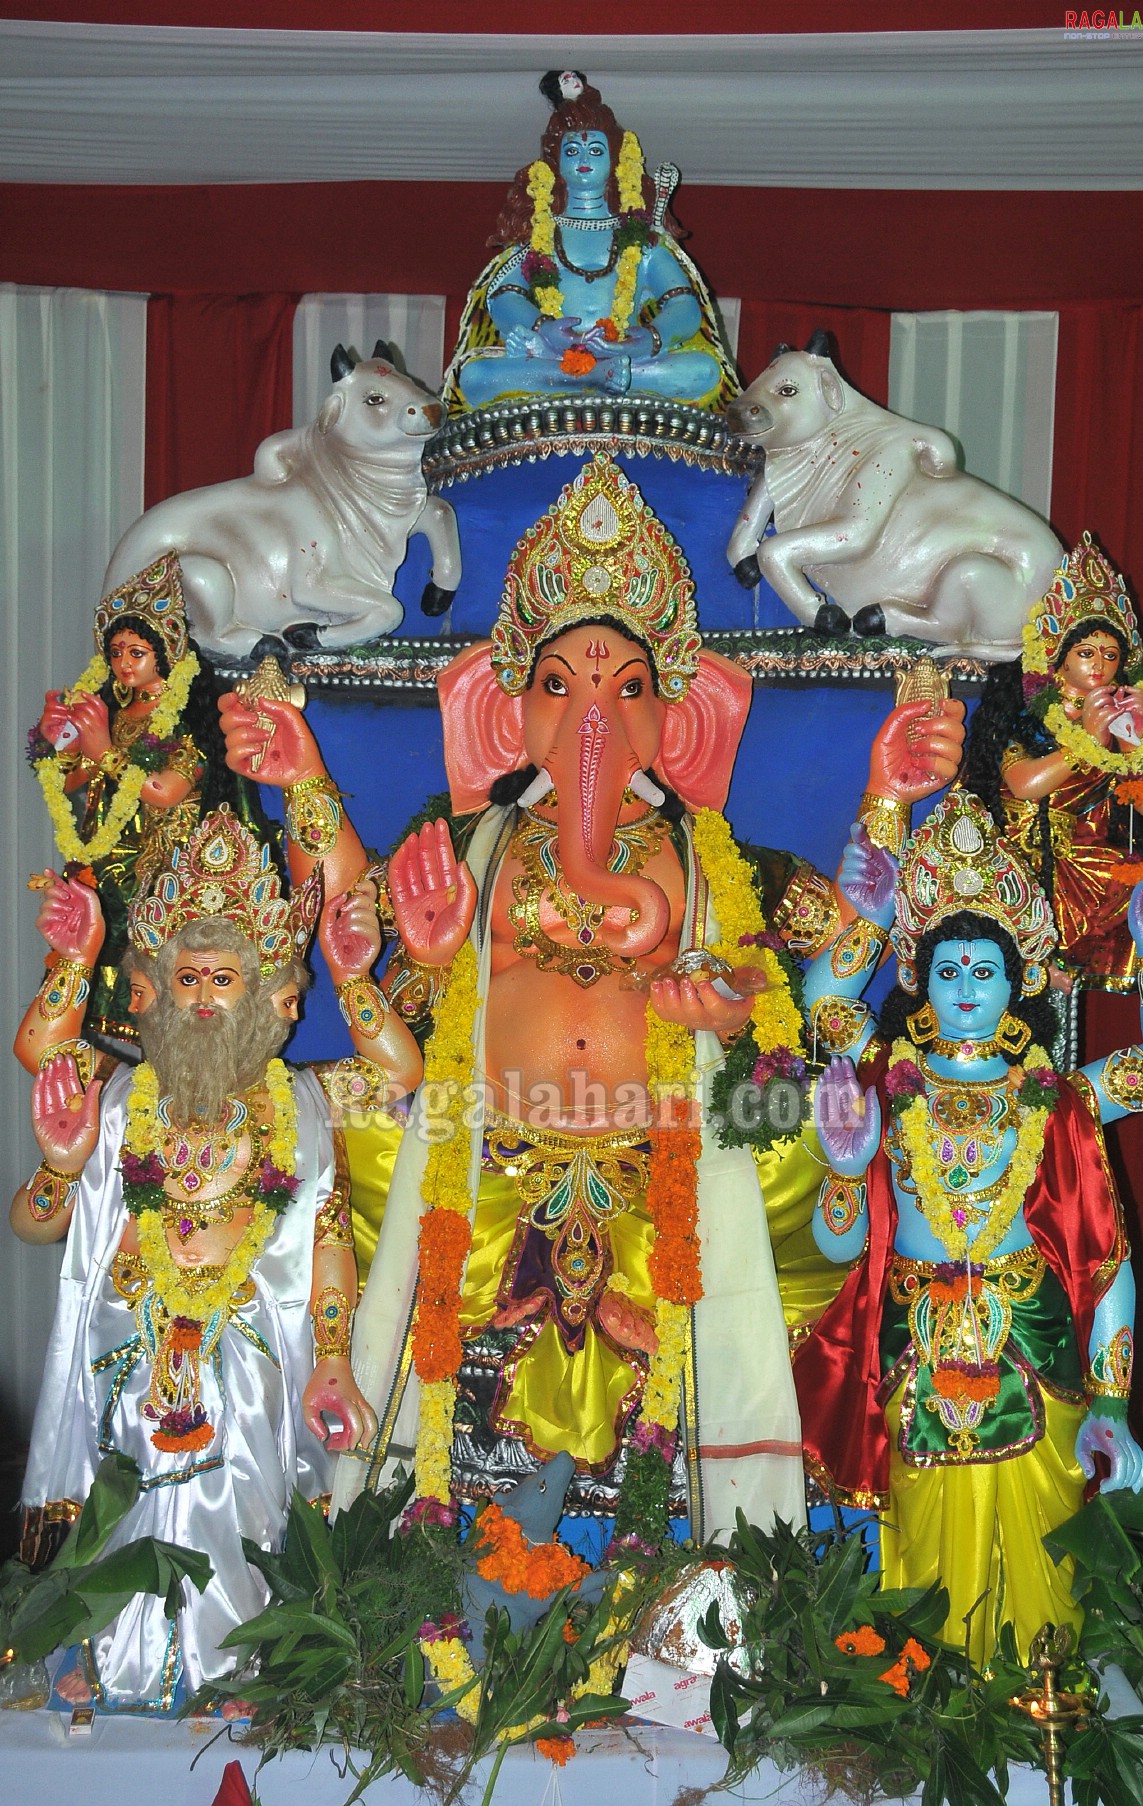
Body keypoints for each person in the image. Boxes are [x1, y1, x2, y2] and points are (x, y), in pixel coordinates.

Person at [217, 455, 966, 1552]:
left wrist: (884, 804)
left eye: (626, 689)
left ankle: (699, 1560)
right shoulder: (473, 838)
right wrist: (306, 784)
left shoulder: (716, 863)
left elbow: (834, 961)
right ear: (506, 707)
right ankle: (418, 1541)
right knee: (340, 1130)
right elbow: (357, 927)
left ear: (677, 716)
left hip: (670, 1152)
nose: (591, 716)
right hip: (488, 1145)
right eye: (558, 685)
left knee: (822, 1125)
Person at [12, 808, 422, 1710]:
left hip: (253, 1361)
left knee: (247, 1515)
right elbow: (38, 1211)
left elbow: (393, 1080)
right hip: (127, 1350)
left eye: (224, 979)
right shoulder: (120, 1098)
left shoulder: (306, 1101)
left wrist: (354, 977)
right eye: (187, 977)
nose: (203, 998)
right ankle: (104, 1659)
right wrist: (59, 1164)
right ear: (151, 989)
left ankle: (249, 1669)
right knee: (119, 1506)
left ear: (275, 995)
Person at [794, 788, 1143, 1663]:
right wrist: (838, 1162)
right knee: (920, 1585)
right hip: (915, 1356)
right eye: (948, 970)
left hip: (1035, 1348)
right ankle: (930, 1722)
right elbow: (836, 1242)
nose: (967, 990)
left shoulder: (1054, 1100)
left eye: (985, 970)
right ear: (918, 979)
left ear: (1017, 980)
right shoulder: (878, 1083)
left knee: (1042, 1590)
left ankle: (1035, 1718)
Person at [29, 552, 273, 1048]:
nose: (122, 663)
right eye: (116, 651)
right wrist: (59, 742)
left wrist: (104, 749)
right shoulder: (112, 708)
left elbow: (164, 790)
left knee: (164, 984)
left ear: (165, 652)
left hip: (163, 867)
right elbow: (72, 780)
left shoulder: (186, 713)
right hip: (108, 857)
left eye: (135, 652)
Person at [445, 71, 738, 414]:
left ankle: (598, 375)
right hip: (551, 356)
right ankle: (593, 377)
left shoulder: (641, 239)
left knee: (703, 371)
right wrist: (544, 329)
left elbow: (683, 306)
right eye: (573, 150)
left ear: (615, 161)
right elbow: (503, 297)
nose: (584, 158)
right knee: (476, 375)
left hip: (626, 357)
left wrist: (648, 340)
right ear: (555, 164)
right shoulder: (538, 235)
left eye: (596, 149)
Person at [962, 535, 1143, 990]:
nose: (1100, 664)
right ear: (1059, 656)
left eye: (1111, 654)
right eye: (1087, 652)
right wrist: (1087, 741)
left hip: (1090, 862)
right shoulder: (1027, 712)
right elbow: (1023, 783)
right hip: (1020, 860)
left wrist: (1133, 741)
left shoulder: (1118, 719)